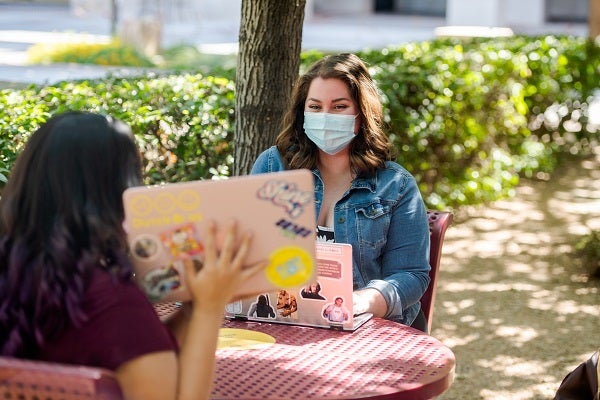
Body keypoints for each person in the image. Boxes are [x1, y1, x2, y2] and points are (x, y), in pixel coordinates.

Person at [0, 111, 266, 400]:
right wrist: (210, 309)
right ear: (117, 192)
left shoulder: (20, 271)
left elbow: (132, 349)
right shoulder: (112, 302)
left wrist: (196, 306)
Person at [251, 53, 431, 331]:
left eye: (339, 106)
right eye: (315, 106)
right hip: (286, 320)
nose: (325, 117)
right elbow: (250, 247)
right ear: (302, 113)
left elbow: (411, 274)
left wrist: (365, 300)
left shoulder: (396, 185)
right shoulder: (273, 165)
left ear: (361, 113)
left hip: (371, 328)